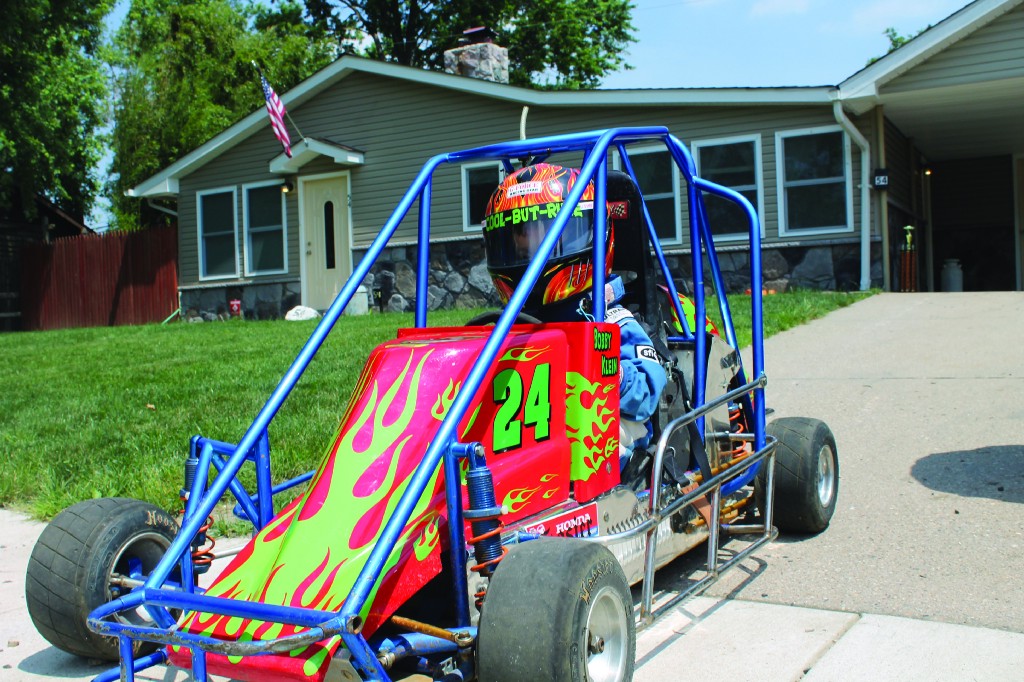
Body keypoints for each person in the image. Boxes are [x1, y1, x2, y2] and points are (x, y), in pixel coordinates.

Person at [482, 163, 667, 468]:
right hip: (533, 442)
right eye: (519, 236)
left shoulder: (609, 318)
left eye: (544, 235)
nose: (530, 250)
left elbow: (648, 392)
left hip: (604, 449)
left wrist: (611, 372)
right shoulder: (510, 325)